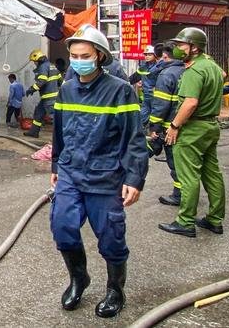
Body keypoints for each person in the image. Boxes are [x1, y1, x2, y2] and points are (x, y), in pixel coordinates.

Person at [50, 24, 148, 318]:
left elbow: (134, 137)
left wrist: (134, 178)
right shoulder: (67, 89)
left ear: (101, 57)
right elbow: (59, 131)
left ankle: (115, 290)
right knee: (62, 226)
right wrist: (56, 164)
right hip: (70, 172)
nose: (79, 60)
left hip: (105, 177)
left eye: (85, 55)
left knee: (111, 237)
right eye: (74, 55)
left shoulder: (120, 91)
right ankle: (79, 279)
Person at [159, 27, 225, 238]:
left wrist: (175, 126)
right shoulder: (211, 66)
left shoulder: (194, 70)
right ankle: (215, 219)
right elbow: (223, 75)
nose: (177, 49)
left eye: (181, 45)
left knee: (188, 176)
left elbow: (190, 102)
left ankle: (185, 221)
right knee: (212, 174)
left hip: (193, 128)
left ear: (194, 48)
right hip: (210, 126)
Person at [147, 44, 185, 205]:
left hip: (170, 126)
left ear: (165, 56)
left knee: (175, 162)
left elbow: (161, 104)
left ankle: (179, 195)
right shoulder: (188, 70)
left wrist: (154, 126)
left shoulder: (167, 74)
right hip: (185, 124)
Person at [24, 49, 61, 138]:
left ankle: (63, 137)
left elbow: (42, 81)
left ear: (39, 59)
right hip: (49, 97)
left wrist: (31, 89)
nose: (34, 64)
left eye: (35, 62)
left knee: (55, 118)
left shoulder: (43, 67)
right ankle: (34, 132)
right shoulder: (52, 66)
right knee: (39, 113)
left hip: (49, 98)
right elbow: (60, 79)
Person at [129, 45, 158, 126]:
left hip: (156, 98)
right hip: (146, 98)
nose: (147, 56)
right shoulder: (143, 67)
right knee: (141, 119)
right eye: (145, 54)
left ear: (155, 55)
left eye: (149, 54)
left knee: (156, 119)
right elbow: (132, 78)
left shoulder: (159, 67)